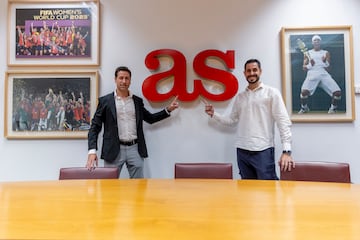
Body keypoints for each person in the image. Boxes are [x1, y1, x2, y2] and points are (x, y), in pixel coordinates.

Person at [204, 59, 294, 180]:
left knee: (268, 190)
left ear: (260, 71)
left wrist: (287, 151)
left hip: (263, 150)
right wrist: (214, 114)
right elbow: (231, 120)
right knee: (247, 191)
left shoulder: (272, 93)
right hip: (242, 150)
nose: (252, 73)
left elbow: (283, 121)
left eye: (254, 70)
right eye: (248, 70)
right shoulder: (240, 97)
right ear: (244, 73)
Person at [86, 66, 179, 178]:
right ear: (115, 79)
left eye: (127, 78)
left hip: (135, 149)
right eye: (121, 78)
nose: (124, 81)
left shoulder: (137, 101)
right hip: (113, 149)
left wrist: (167, 110)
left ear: (130, 80)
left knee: (138, 187)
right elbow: (95, 127)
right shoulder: (105, 101)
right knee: (109, 187)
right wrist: (92, 151)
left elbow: (150, 118)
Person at [298, 35, 341, 114]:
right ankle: (304, 108)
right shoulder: (308, 53)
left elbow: (329, 69)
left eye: (318, 40)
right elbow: (304, 68)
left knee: (337, 93)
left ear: (320, 42)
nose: (316, 42)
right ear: (312, 42)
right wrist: (310, 65)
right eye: (315, 40)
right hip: (312, 74)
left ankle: (333, 109)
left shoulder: (326, 53)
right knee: (303, 92)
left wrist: (325, 62)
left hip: (323, 74)